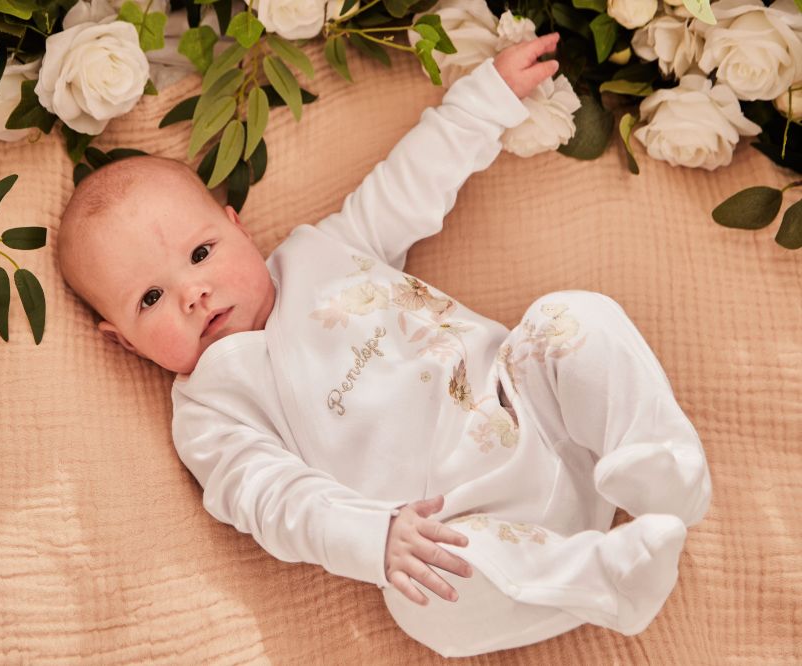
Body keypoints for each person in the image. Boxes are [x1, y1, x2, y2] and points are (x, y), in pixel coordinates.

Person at [56, 32, 712, 657]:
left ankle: (658, 467)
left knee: (572, 319)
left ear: (239, 229)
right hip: (453, 529)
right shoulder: (211, 411)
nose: (192, 293)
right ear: (124, 343)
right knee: (422, 603)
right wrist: (376, 538)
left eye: (201, 253)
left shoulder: (323, 253)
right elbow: (274, 500)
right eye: (150, 299)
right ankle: (602, 577)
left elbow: (407, 189)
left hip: (533, 415)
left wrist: (485, 101)